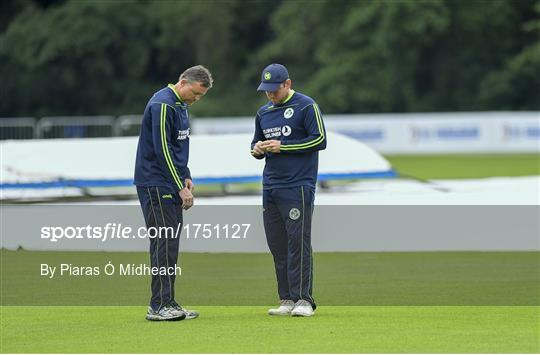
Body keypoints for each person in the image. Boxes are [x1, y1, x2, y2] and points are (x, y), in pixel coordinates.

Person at [134, 65, 213, 321]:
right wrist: (179, 185)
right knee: (163, 243)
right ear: (183, 82)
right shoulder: (163, 104)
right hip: (156, 183)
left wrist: (186, 174)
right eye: (195, 93)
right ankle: (157, 306)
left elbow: (178, 147)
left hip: (170, 182)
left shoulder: (181, 106)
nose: (196, 99)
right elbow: (162, 150)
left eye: (201, 96)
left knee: (170, 244)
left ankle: (168, 301)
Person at [251, 63, 327, 317]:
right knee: (277, 245)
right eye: (266, 90)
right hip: (270, 186)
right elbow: (255, 144)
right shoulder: (263, 113)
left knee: (298, 242)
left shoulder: (306, 106)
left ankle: (304, 299)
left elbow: (319, 140)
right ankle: (286, 299)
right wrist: (257, 149)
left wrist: (283, 147)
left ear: (288, 84)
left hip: (298, 186)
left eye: (275, 89)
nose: (270, 94)